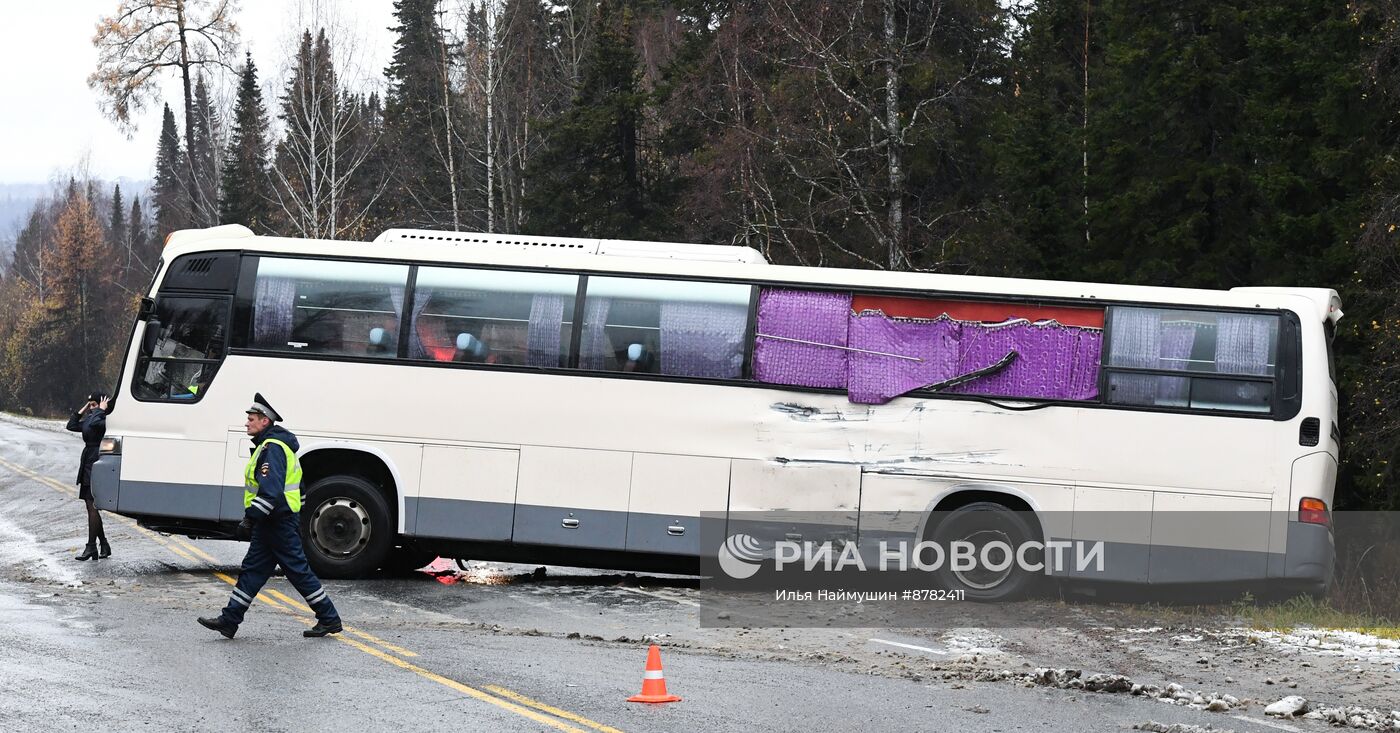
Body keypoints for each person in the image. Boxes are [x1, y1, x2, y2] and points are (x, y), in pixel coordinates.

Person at [198, 393, 343, 639]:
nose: (247, 423)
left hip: (276, 523)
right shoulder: (275, 446)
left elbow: (270, 492)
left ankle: (329, 618)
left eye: (252, 419)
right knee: (253, 571)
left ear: (265, 421)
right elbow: (300, 489)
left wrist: (250, 519)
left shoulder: (272, 449)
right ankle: (230, 620)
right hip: (275, 523)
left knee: (297, 571)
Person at [66, 392, 111, 561]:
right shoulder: (91, 418)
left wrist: (100, 410)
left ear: (102, 404)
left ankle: (91, 546)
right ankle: (103, 544)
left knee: (92, 506)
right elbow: (71, 425)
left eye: (93, 404)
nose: (90, 408)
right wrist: (84, 409)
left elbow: (94, 423)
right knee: (89, 505)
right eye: (89, 405)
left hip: (96, 462)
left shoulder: (102, 420)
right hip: (87, 461)